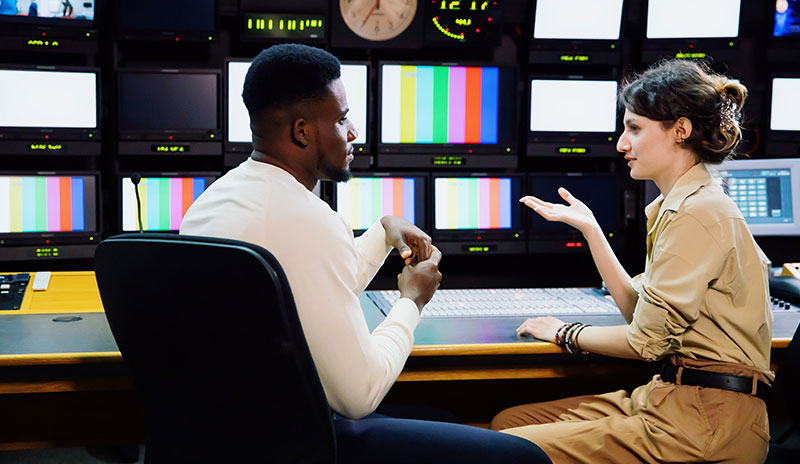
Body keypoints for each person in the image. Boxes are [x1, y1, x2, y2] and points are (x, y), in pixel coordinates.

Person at [180, 44, 550, 464]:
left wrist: (380, 233)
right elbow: (360, 395)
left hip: (230, 436)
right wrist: (412, 301)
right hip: (305, 443)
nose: (353, 131)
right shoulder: (308, 218)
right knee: (523, 457)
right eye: (341, 119)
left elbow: (303, 288)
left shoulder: (214, 202)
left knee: (440, 419)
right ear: (302, 131)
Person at [490, 59, 773, 463]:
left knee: (509, 450)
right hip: (672, 398)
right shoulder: (679, 206)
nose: (621, 144)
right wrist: (592, 231)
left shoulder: (699, 212)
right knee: (509, 423)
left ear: (681, 131)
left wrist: (564, 331)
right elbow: (641, 317)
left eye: (635, 129)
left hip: (705, 421)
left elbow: (644, 343)